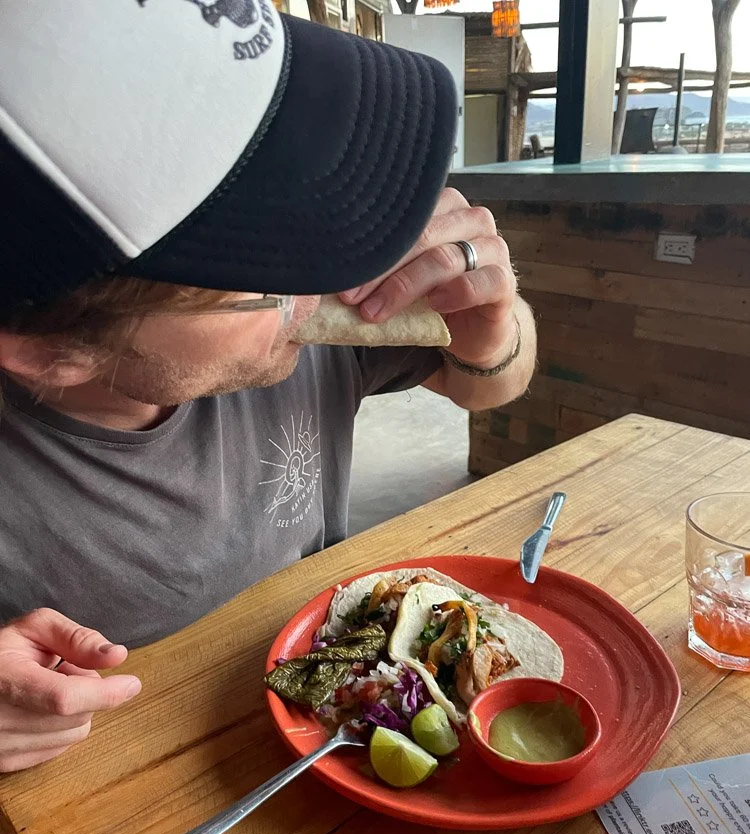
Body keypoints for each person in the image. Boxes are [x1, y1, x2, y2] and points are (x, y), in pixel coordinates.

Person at [0, 0, 536, 773]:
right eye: (257, 268)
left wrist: (493, 330)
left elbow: (491, 387)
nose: (325, 275)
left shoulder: (313, 307)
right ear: (51, 350)